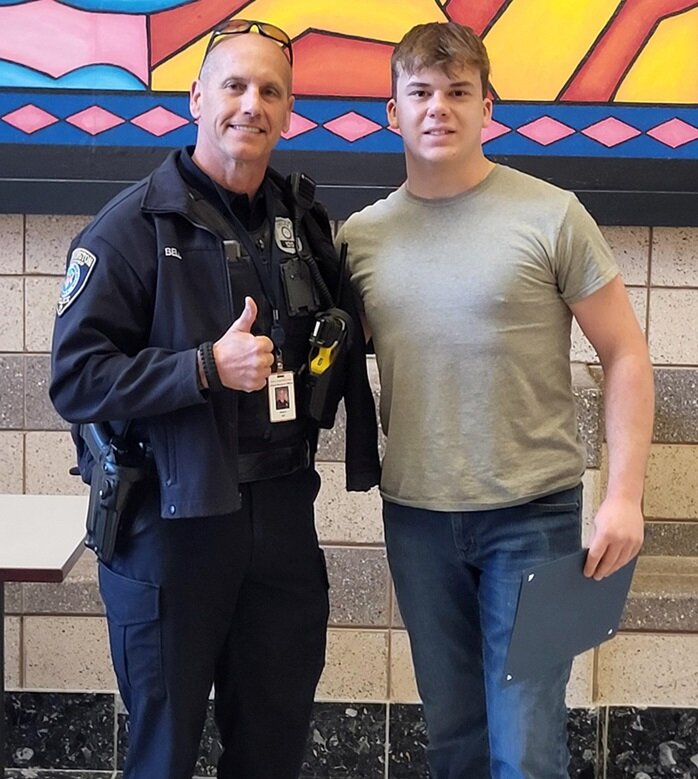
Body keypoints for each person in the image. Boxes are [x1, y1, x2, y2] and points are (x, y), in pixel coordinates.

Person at [50, 19, 380, 779]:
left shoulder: (302, 222)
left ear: (288, 109)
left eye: (270, 90)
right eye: (233, 84)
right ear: (196, 95)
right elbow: (75, 379)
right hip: (169, 526)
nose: (250, 104)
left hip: (281, 522)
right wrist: (202, 367)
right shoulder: (130, 229)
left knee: (272, 747)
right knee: (163, 754)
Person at [337, 21, 654, 779]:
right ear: (392, 111)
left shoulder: (551, 214)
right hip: (417, 521)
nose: (438, 107)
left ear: (489, 107)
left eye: (457, 91)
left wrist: (625, 496)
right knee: (455, 741)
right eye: (419, 92)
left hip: (534, 519)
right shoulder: (359, 238)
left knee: (527, 748)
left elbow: (626, 354)